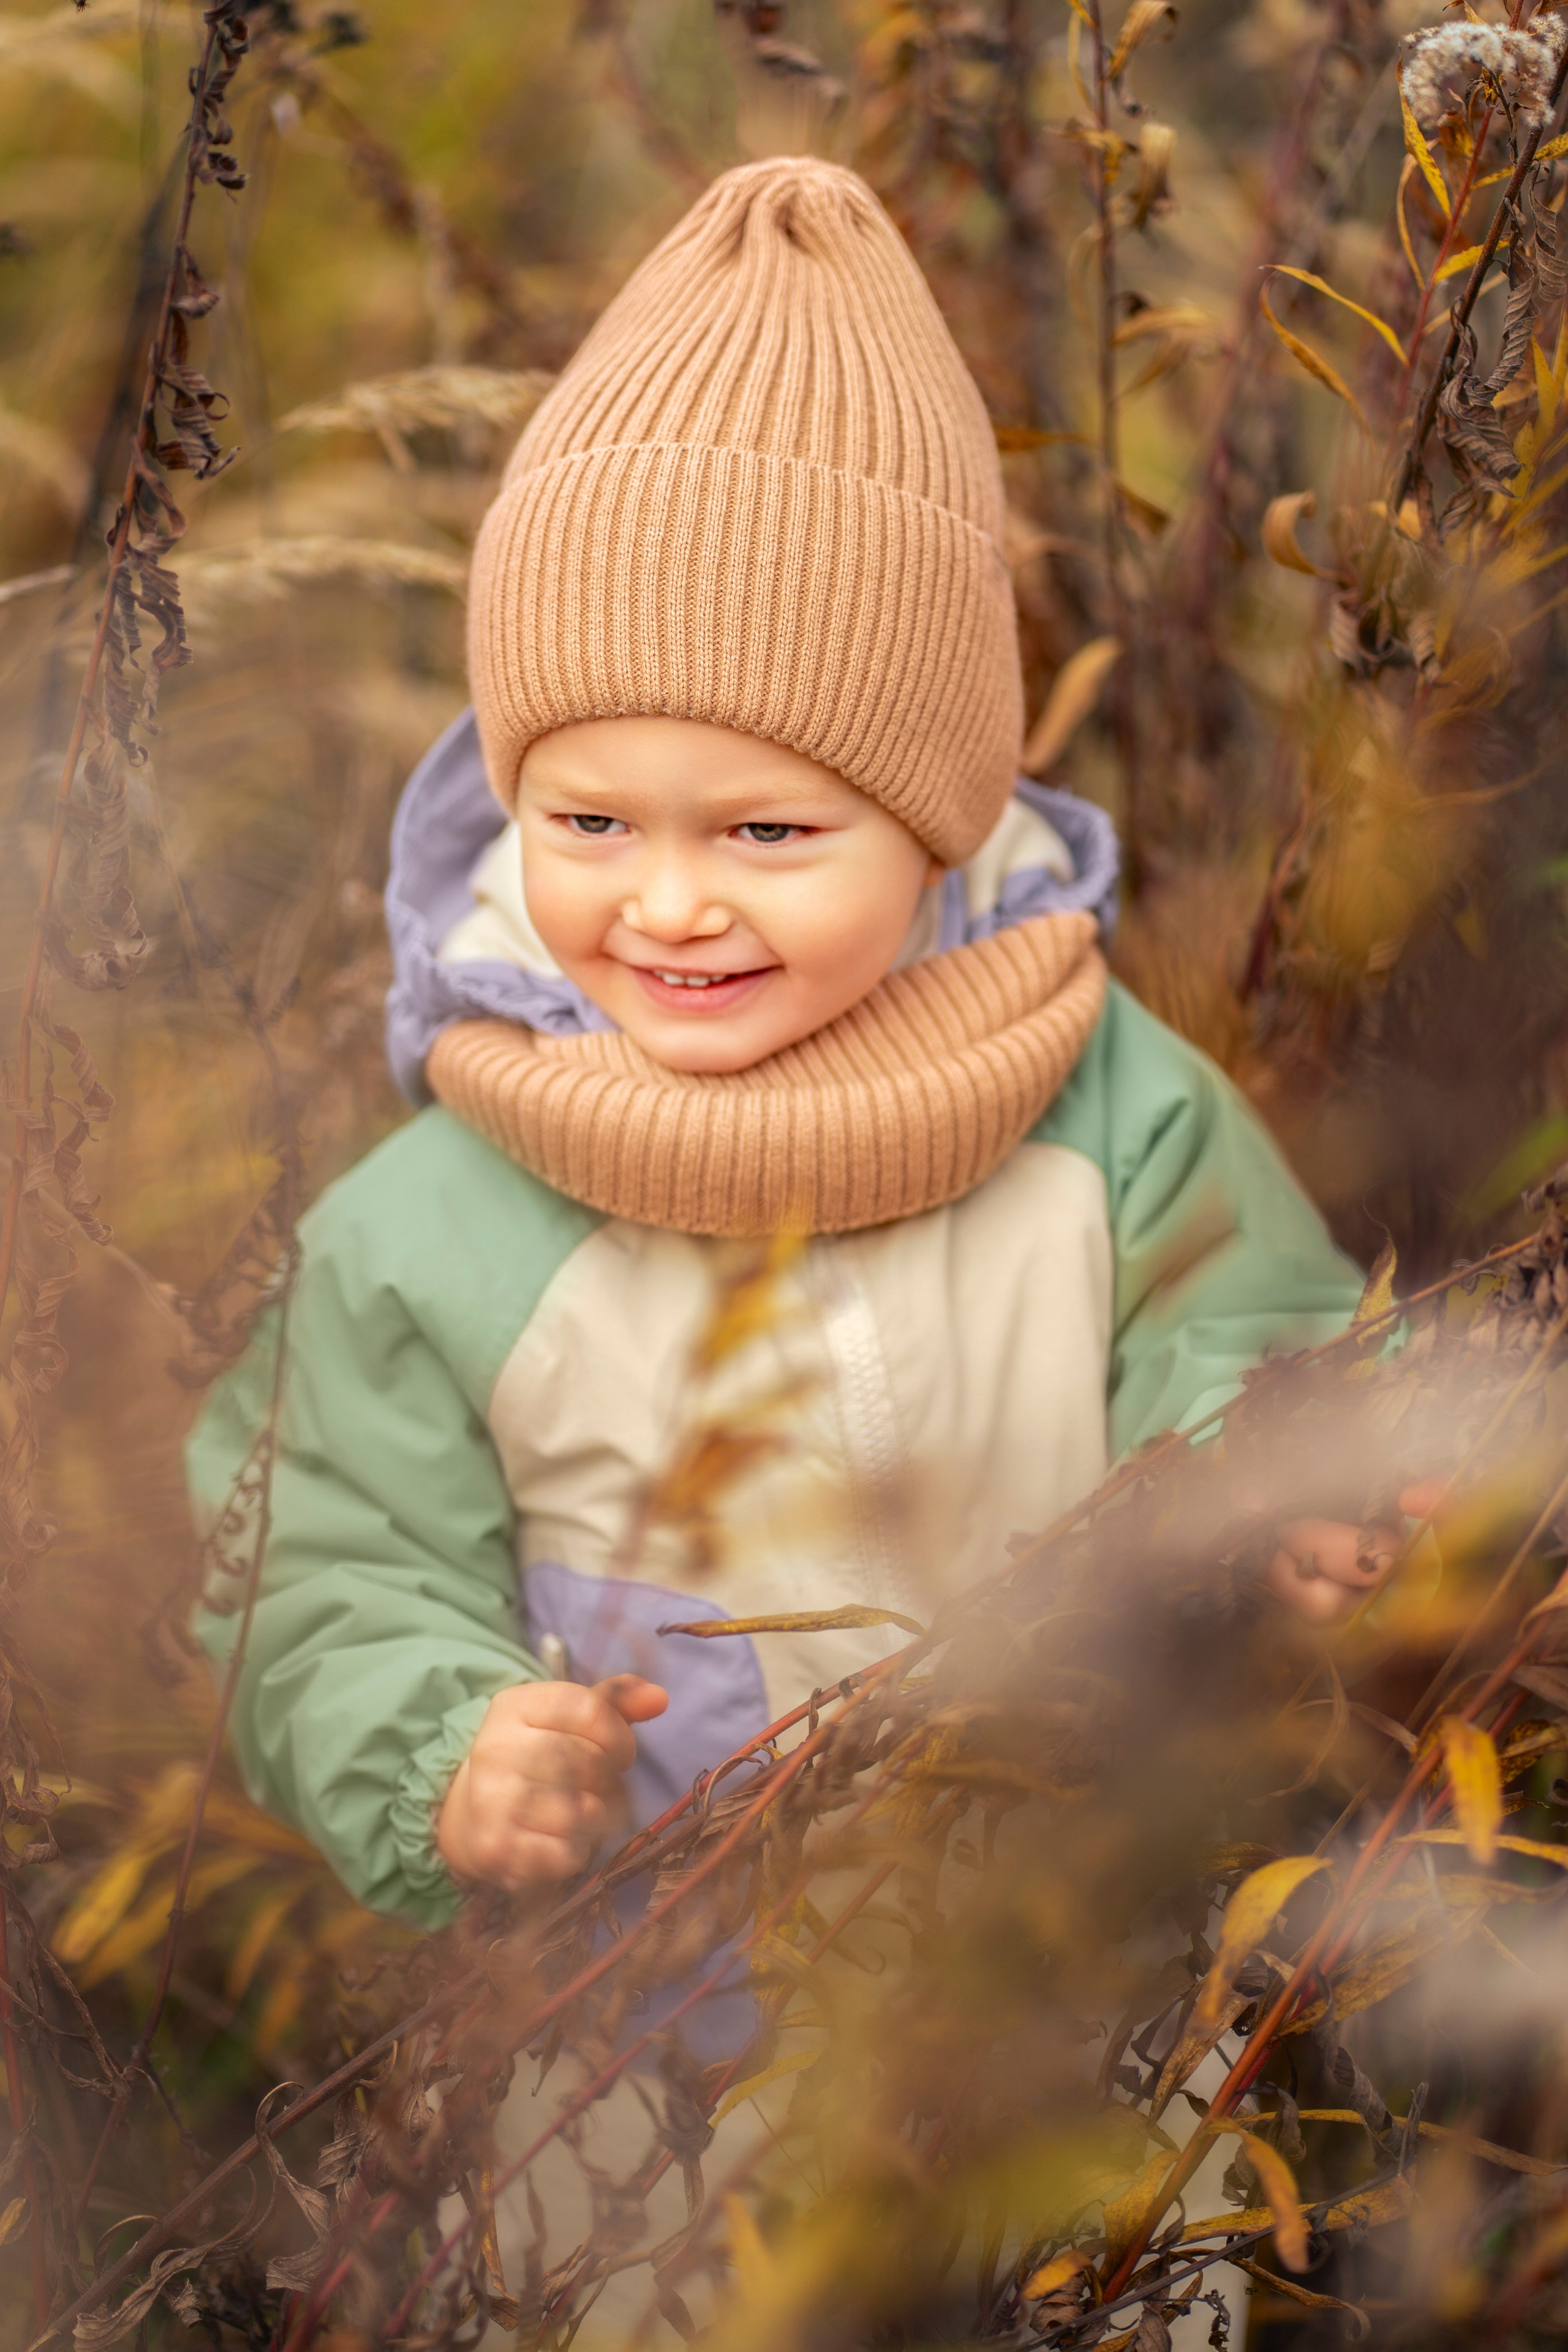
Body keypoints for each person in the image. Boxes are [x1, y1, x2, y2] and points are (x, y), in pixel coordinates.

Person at [189, 156, 1413, 1940]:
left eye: (767, 835)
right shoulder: (431, 1221)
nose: (671, 906)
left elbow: (1249, 1345)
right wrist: (443, 1741)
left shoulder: (1109, 1110)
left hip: (1082, 2017)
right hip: (648, 2090)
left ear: (933, 822)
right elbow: (320, 1561)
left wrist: (1286, 1503)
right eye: (590, 823)